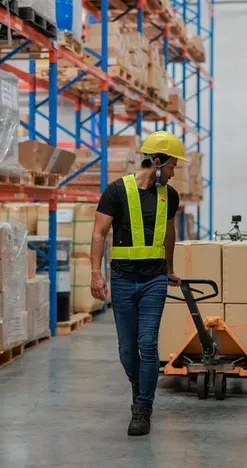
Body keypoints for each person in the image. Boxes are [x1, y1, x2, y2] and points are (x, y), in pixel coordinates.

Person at [90, 130, 187, 436]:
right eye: (172, 166)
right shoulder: (116, 191)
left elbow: (169, 233)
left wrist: (169, 268)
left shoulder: (169, 196)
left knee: (147, 343)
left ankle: (142, 408)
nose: (173, 173)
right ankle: (140, 387)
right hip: (121, 278)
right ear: (157, 162)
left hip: (154, 280)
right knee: (126, 349)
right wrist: (96, 273)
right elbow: (98, 234)